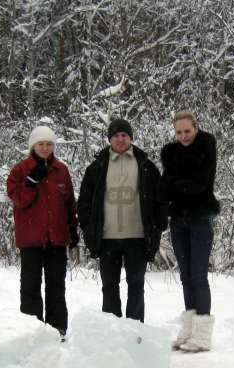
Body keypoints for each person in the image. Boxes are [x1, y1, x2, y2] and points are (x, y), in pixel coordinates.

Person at [78, 118, 166, 322]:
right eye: (116, 135)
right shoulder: (96, 167)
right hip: (107, 237)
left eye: (124, 135)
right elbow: (84, 203)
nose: (120, 139)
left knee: (136, 285)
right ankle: (111, 331)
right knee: (109, 286)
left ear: (131, 138)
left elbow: (160, 199)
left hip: (137, 237)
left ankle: (136, 331)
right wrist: (88, 228)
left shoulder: (145, 165)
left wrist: (159, 225)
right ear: (110, 139)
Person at [6, 125, 78, 335]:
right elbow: (18, 200)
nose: (45, 148)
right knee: (30, 287)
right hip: (31, 239)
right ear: (33, 146)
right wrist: (30, 182)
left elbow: (68, 203)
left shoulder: (61, 170)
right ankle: (31, 332)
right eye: (41, 144)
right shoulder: (19, 170)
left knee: (56, 287)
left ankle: (58, 331)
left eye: (49, 144)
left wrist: (73, 229)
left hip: (57, 238)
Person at [159, 111, 218, 352]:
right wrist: (178, 186)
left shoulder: (206, 146)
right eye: (179, 132)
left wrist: (176, 186)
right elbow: (164, 187)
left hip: (200, 217)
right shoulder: (170, 152)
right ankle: (189, 329)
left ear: (196, 127)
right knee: (185, 276)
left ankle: (202, 335)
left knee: (199, 275)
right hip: (178, 219)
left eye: (187, 131)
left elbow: (200, 184)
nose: (183, 136)